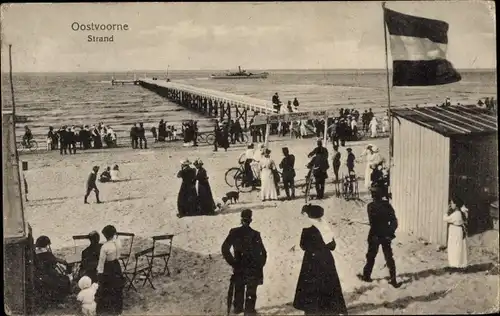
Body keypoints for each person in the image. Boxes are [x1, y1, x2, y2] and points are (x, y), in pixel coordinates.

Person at [293, 205, 347, 315]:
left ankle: (313, 309)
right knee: (328, 283)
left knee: (312, 285)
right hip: (326, 260)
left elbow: (303, 246)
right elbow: (332, 246)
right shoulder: (325, 228)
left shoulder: (307, 230)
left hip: (311, 261)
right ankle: (329, 308)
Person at [221, 209, 267, 315]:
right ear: (251, 220)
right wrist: (260, 265)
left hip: (239, 265)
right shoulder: (255, 234)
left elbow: (224, 248)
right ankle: (249, 311)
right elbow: (263, 252)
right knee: (251, 290)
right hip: (252, 266)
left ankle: (238, 309)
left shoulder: (234, 232)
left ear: (241, 219)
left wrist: (233, 262)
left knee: (239, 287)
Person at [357, 186, 401, 288]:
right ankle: (393, 279)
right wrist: (390, 232)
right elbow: (394, 221)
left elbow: (372, 221)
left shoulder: (370, 206)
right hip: (385, 235)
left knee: (371, 256)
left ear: (373, 196)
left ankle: (366, 276)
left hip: (375, 235)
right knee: (389, 256)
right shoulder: (387, 206)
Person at [33, 236, 73, 310]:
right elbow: (55, 260)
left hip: (39, 276)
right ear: (46, 245)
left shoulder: (35, 254)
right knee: (65, 280)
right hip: (48, 276)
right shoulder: (47, 254)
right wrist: (65, 263)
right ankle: (59, 301)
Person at [96, 225, 125, 315]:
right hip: (116, 264)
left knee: (106, 286)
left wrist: (99, 273)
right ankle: (117, 308)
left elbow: (101, 262)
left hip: (108, 266)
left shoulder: (105, 247)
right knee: (117, 286)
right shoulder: (118, 242)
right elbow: (118, 255)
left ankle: (106, 306)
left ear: (105, 235)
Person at [444, 196, 468, 271]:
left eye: (452, 203)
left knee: (454, 247)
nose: (451, 205)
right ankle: (459, 264)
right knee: (459, 247)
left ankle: (455, 264)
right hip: (459, 230)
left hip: (455, 231)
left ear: (456, 204)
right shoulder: (462, 212)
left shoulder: (456, 214)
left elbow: (445, 219)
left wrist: (447, 211)